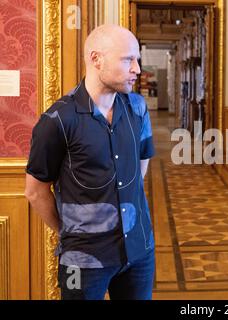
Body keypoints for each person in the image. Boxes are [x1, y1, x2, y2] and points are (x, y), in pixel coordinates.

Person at [24, 24, 155, 300]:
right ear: (97, 59)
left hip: (139, 251)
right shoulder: (57, 120)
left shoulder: (138, 108)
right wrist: (70, 231)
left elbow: (141, 165)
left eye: (137, 60)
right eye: (128, 59)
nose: (137, 69)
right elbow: (35, 191)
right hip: (82, 261)